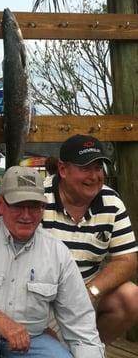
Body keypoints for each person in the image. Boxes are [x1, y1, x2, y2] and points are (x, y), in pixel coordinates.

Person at [0, 166, 105, 357]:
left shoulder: (57, 252)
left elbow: (81, 324)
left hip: (32, 340)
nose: (26, 215)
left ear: (43, 208)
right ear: (0, 204)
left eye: (35, 206)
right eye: (18, 205)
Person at [42, 134, 138, 343]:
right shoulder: (38, 197)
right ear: (63, 169)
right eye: (85, 168)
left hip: (86, 294)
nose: (94, 176)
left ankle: (90, 347)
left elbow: (127, 260)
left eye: (98, 167)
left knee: (131, 297)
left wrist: (91, 292)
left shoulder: (111, 201)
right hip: (41, 297)